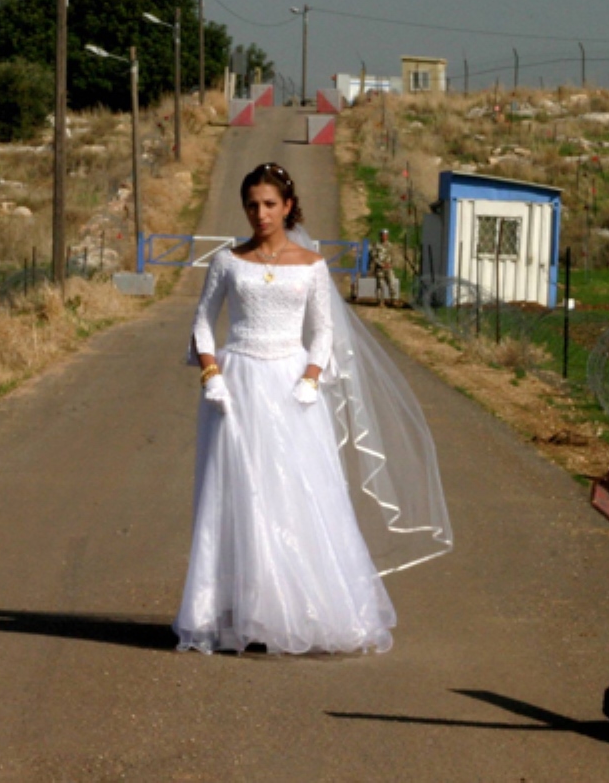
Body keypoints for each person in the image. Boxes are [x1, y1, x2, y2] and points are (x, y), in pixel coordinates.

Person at [175, 162, 451, 656]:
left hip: (290, 383)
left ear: (287, 206)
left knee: (297, 490)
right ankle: (245, 610)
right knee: (238, 492)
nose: (260, 213)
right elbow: (201, 322)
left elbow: (323, 331)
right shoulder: (227, 261)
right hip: (235, 383)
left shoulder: (312, 264)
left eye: (269, 204)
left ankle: (300, 607)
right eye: (252, 205)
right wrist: (211, 372)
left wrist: (311, 377)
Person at [370, 229, 398, 306]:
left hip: (389, 268)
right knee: (380, 285)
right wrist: (381, 264)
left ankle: (393, 300)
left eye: (386, 235)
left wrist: (391, 264)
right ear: (380, 236)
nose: (384, 237)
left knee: (392, 283)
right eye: (383, 235)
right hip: (380, 268)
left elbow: (394, 256)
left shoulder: (390, 245)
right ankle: (380, 301)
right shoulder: (376, 245)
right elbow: (374, 257)